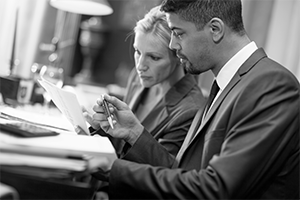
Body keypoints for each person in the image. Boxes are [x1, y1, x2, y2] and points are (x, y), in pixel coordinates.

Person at [89, 0, 300, 200]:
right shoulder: (226, 84)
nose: (172, 45)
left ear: (215, 29)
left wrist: (114, 169)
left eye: (178, 33)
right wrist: (134, 132)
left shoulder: (272, 84)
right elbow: (181, 171)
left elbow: (217, 188)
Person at [85, 5, 205, 159]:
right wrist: (100, 130)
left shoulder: (190, 110)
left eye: (154, 57)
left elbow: (165, 171)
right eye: (138, 52)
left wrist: (134, 134)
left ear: (179, 56)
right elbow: (122, 147)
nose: (140, 66)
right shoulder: (137, 77)